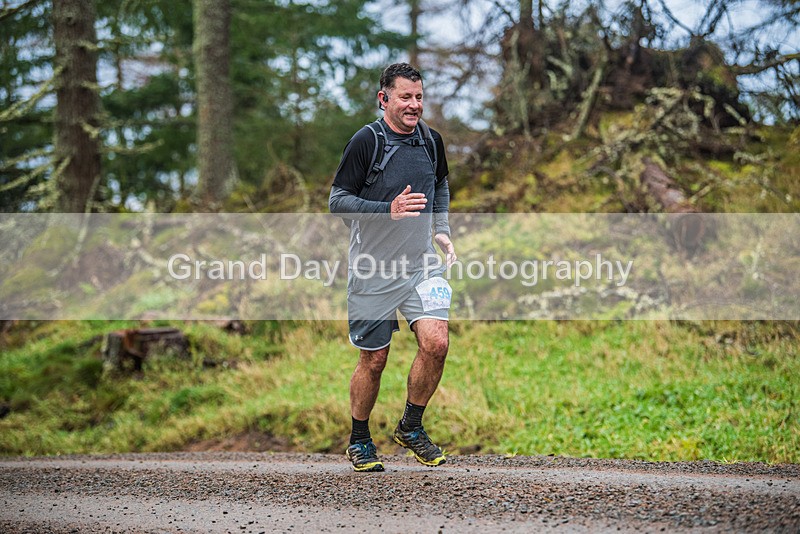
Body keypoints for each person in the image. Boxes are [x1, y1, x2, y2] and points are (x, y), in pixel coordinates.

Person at [329, 63, 456, 472]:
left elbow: (440, 184)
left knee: (436, 343)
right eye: (405, 97)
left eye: (419, 97)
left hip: (421, 265)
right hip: (373, 268)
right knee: (375, 359)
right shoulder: (366, 141)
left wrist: (441, 230)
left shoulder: (431, 141)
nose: (414, 105)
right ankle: (359, 439)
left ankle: (411, 427)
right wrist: (388, 209)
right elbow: (338, 201)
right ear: (384, 99)